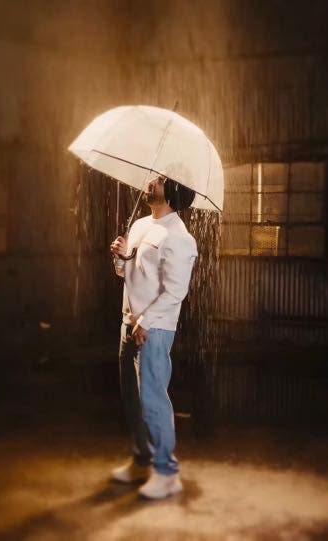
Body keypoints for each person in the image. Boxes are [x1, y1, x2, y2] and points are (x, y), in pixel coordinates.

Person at [108, 172, 198, 499]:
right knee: (132, 398)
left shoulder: (180, 237)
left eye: (159, 180)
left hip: (154, 328)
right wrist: (121, 258)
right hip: (129, 321)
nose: (151, 182)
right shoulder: (140, 226)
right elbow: (129, 274)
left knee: (152, 399)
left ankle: (166, 471)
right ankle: (141, 459)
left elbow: (176, 291)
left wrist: (146, 320)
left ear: (172, 190)